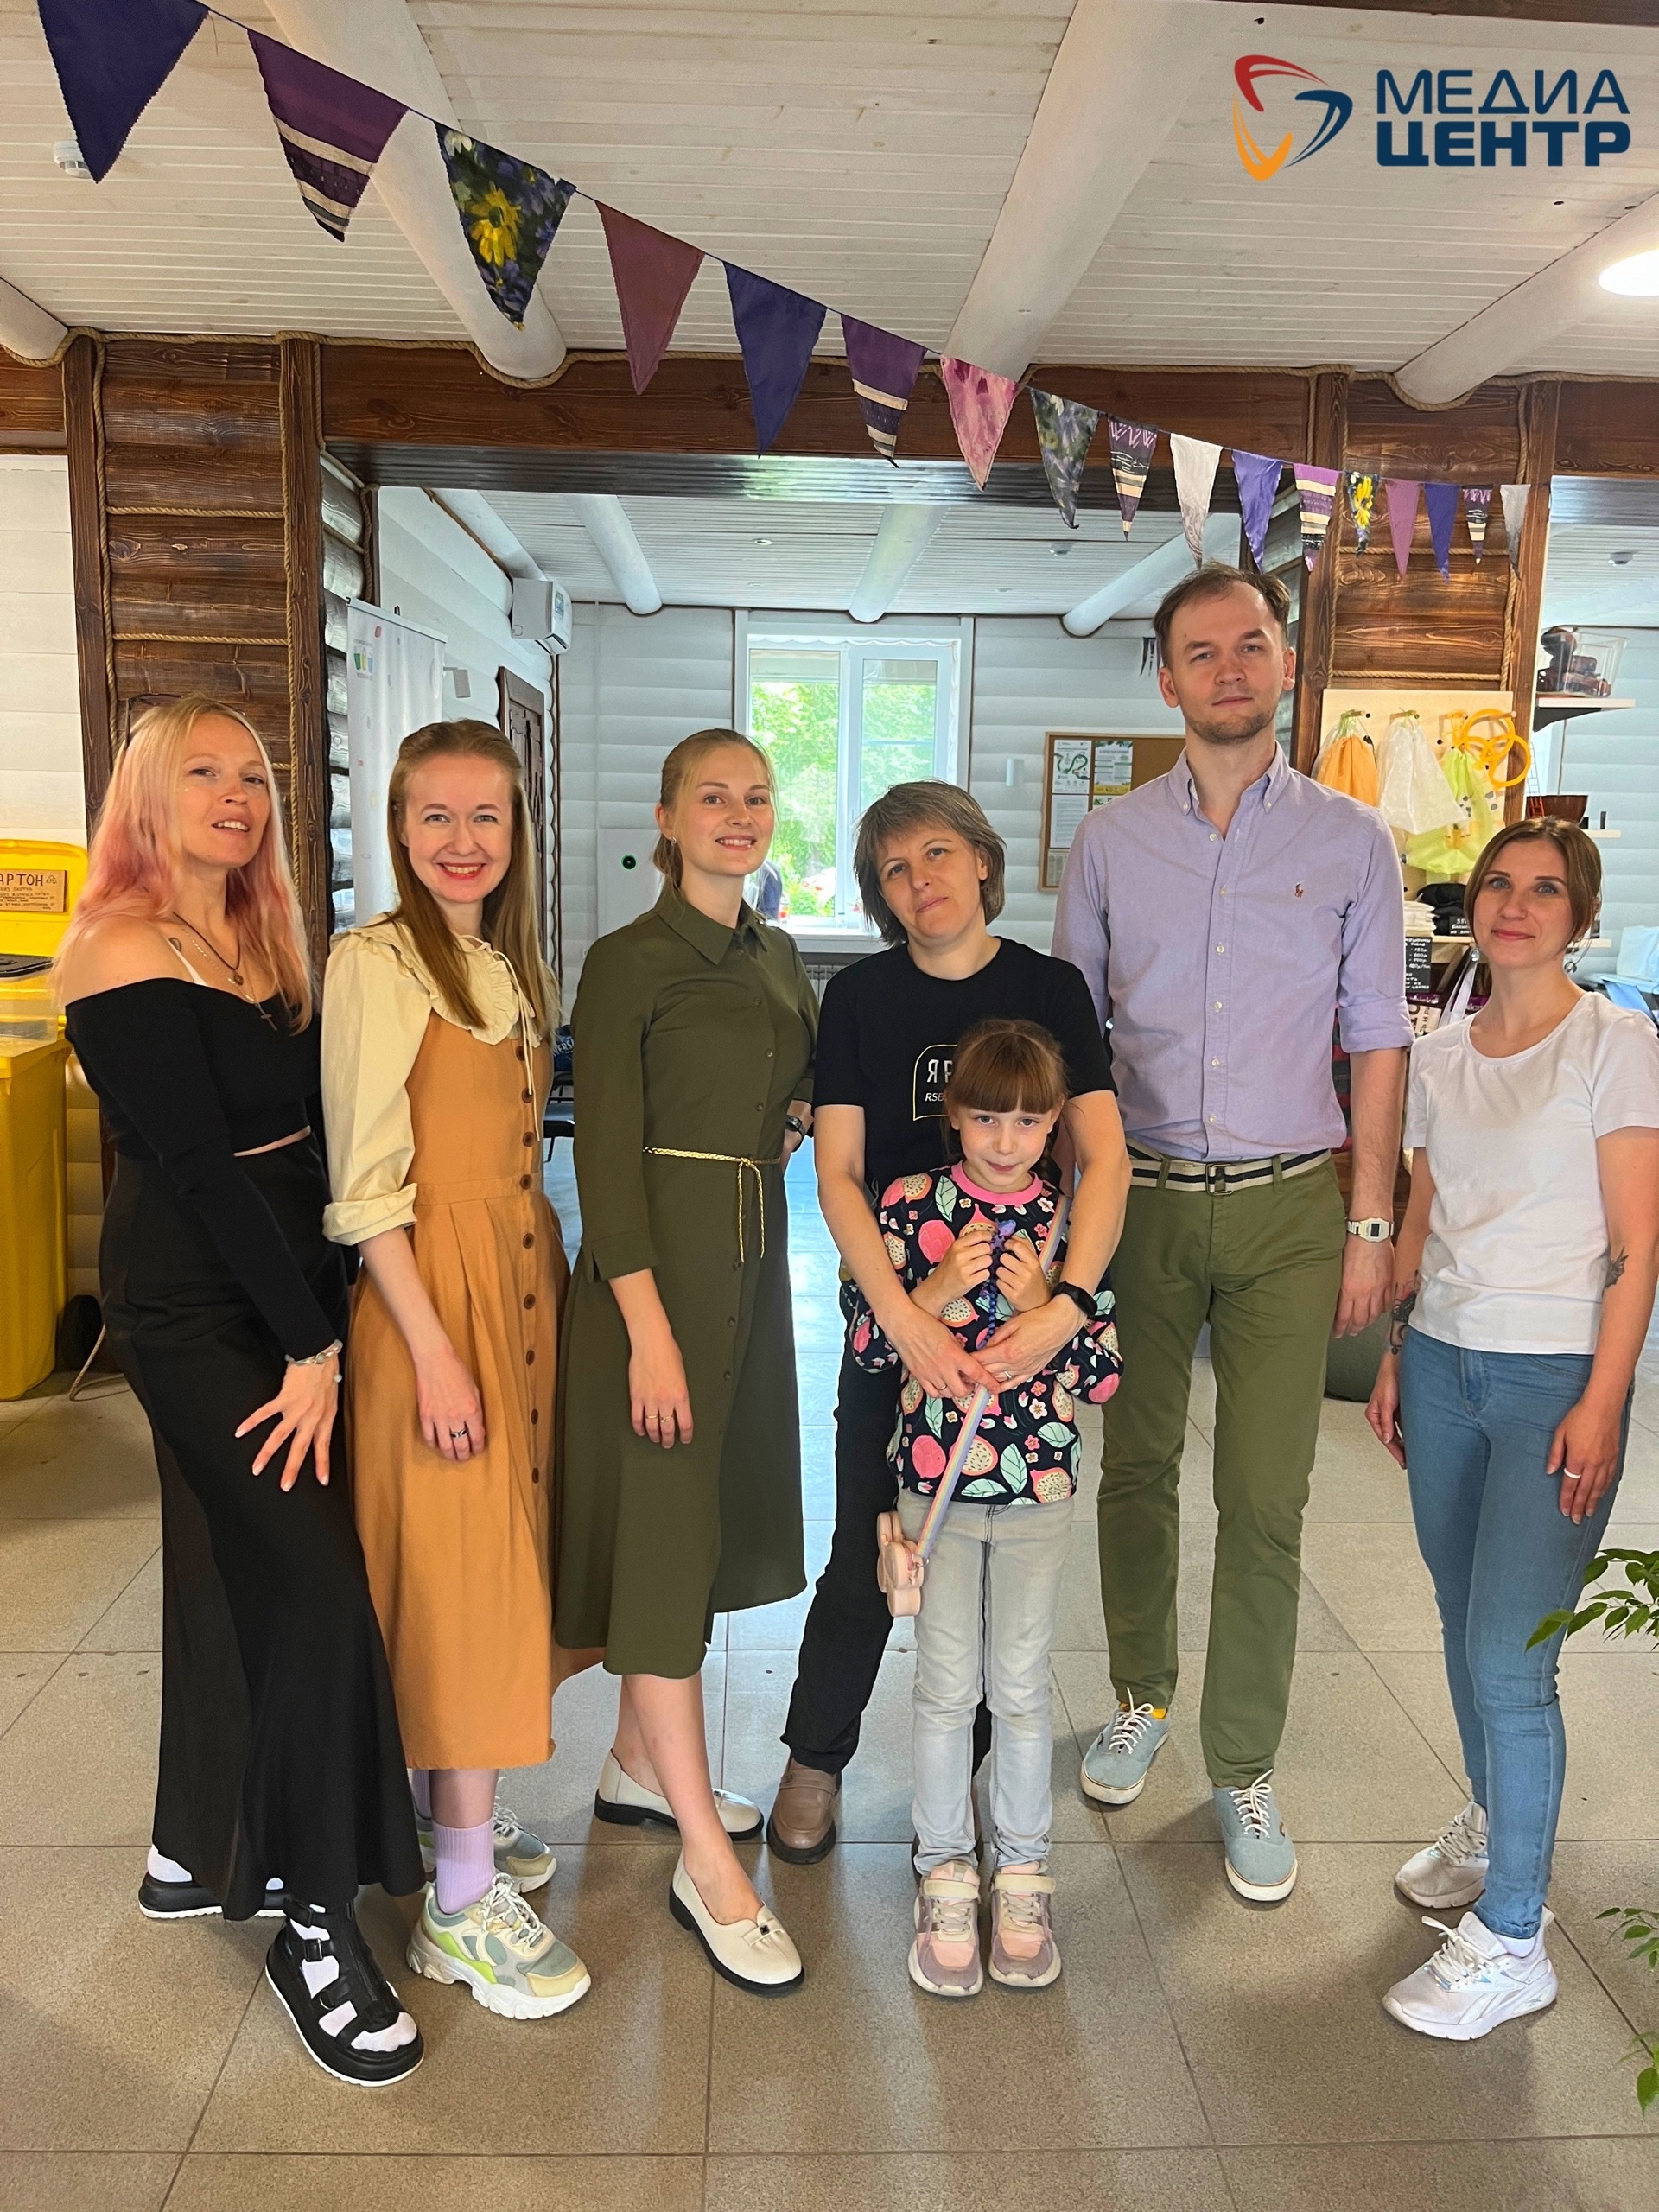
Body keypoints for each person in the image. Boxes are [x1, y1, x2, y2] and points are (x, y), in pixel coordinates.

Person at [56, 696, 423, 2089]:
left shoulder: (262, 935)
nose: (237, 795)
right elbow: (204, 1175)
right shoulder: (118, 946)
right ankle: (315, 1923)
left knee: (227, 1563)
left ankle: (194, 1843)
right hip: (199, 1306)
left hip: (286, 1282)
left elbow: (308, 1133)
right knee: (320, 1592)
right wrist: (311, 1350)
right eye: (201, 773)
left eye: (254, 776)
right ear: (146, 798)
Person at [1054, 563, 1410, 1904]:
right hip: (1137, 1200)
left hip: (1289, 1208)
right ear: (1167, 679)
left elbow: (1379, 1041)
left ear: (1285, 664)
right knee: (1135, 1467)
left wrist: (1371, 1221)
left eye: (1250, 645)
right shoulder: (1108, 842)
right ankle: (1139, 1694)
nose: (1227, 669)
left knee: (1267, 1495)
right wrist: (1068, 1226)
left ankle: (1244, 1761)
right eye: (1200, 651)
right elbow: (1072, 1038)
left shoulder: (1352, 842)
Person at [771, 782, 1127, 1866]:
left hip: (1019, 1330)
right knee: (867, 1540)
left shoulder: (1050, 988)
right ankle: (815, 1758)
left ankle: (963, 1778)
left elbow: (1104, 1158)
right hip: (899, 1312)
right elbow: (837, 1173)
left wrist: (1065, 1308)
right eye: (893, 868)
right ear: (880, 896)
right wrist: (902, 1315)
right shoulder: (860, 997)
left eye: (935, 853)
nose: (919, 880)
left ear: (980, 859)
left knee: (983, 1560)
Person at [1368, 822, 1659, 2038]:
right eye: (1499, 883)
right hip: (1444, 1363)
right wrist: (1397, 1351)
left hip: (1555, 1378)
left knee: (1510, 1656)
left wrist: (1605, 1396)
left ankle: (1514, 1937)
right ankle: (1497, 1822)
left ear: (1578, 917)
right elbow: (1423, 1216)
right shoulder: (1441, 1054)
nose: (1517, 904)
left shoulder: (1615, 1043)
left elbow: (1638, 1241)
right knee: (1459, 1614)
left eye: (1547, 889)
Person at [322, 719, 591, 2024]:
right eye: (436, 815)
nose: (463, 840)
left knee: (502, 1562)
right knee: (463, 1577)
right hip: (437, 1302)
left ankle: (454, 1825)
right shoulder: (376, 965)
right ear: (398, 826)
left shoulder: (506, 960)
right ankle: (459, 1908)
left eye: (487, 815)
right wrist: (434, 1355)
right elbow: (366, 1188)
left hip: (521, 1283)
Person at [556, 728, 817, 1995]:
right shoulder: (627, 960)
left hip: (750, 1271)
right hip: (652, 1282)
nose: (738, 814)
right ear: (666, 817)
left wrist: (795, 1114)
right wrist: (647, 1332)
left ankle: (637, 1768)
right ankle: (706, 1863)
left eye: (756, 796)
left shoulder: (775, 953)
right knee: (661, 1543)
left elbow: (785, 1088)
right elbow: (604, 1157)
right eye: (712, 795)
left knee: (698, 1523)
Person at [850, 1020, 1122, 1997]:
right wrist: (935, 1285)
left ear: (1053, 1126)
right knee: (943, 1685)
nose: (1006, 1140)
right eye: (986, 1118)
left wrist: (1051, 1296)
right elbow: (870, 1348)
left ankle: (1024, 1870)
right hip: (937, 1487)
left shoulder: (1068, 1225)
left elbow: (1103, 1377)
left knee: (1020, 1684)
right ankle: (944, 1869)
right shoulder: (910, 1205)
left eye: (1029, 1121)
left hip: (1039, 1488)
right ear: (954, 1116)